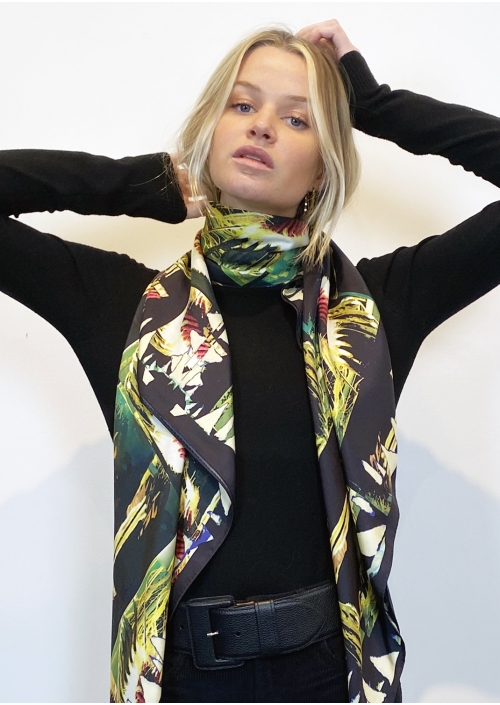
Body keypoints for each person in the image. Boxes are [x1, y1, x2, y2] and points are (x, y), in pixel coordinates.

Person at [1, 18, 500, 704]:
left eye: (297, 118)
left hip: (329, 672)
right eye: (242, 105)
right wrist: (140, 184)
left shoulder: (372, 311)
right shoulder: (125, 308)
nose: (262, 126)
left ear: (323, 166)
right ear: (212, 131)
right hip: (183, 679)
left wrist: (375, 102)